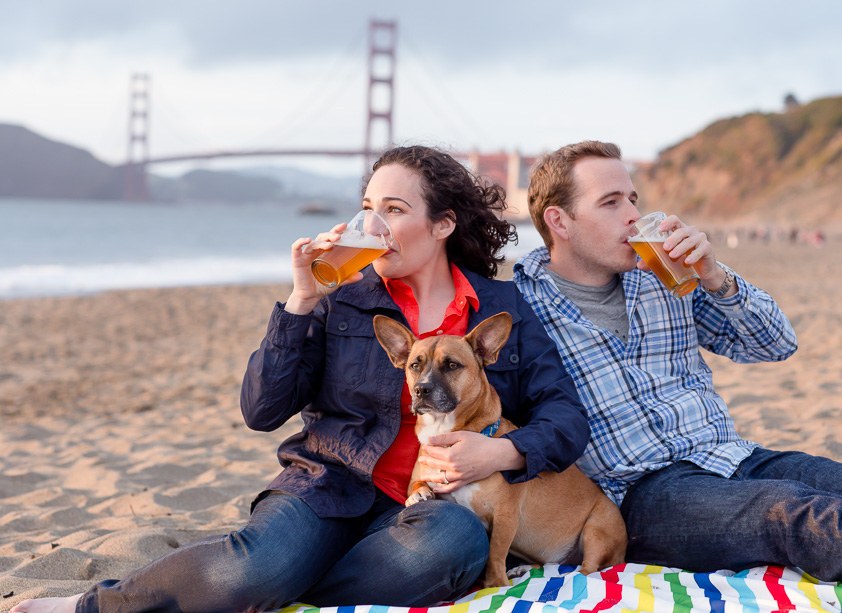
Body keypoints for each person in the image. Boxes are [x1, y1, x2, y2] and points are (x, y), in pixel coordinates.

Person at [12, 145, 589, 613]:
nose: (373, 224)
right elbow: (261, 410)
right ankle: (96, 606)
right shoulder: (341, 301)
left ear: (442, 224)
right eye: (368, 207)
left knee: (451, 548)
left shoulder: (499, 307)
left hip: (428, 503)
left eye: (393, 209)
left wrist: (502, 454)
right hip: (330, 486)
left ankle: (277, 589)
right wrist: (301, 301)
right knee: (254, 565)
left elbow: (565, 416)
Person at [512, 140, 842, 591]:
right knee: (796, 513)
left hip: (731, 455)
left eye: (633, 199)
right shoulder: (519, 310)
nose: (632, 215)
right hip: (640, 495)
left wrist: (714, 275)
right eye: (610, 202)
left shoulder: (665, 275)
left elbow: (776, 344)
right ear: (559, 221)